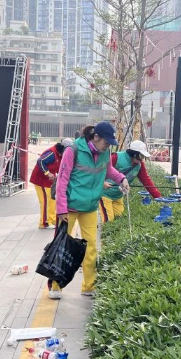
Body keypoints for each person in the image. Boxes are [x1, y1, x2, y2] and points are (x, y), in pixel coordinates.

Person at [53, 122, 129, 299]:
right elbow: (62, 180)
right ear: (96, 137)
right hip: (69, 207)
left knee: (91, 247)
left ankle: (89, 286)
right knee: (61, 245)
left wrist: (122, 179)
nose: (107, 147)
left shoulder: (105, 153)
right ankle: (56, 286)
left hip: (90, 206)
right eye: (105, 142)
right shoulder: (73, 150)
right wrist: (61, 209)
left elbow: (108, 169)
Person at [100, 140, 162, 223]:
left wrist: (158, 197)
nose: (142, 159)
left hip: (118, 196)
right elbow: (101, 170)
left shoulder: (139, 165)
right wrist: (101, 183)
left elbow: (147, 181)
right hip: (105, 194)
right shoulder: (116, 157)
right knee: (108, 220)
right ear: (134, 153)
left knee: (119, 219)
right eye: (141, 156)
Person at [30, 138, 73, 229]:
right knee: (45, 201)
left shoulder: (61, 155)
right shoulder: (52, 153)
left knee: (52, 200)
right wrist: (47, 173)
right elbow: (40, 161)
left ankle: (52, 220)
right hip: (40, 180)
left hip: (48, 182)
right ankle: (44, 223)